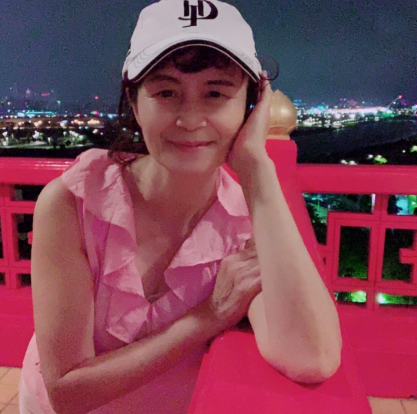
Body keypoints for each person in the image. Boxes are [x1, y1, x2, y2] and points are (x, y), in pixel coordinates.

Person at [19, 1, 342, 413]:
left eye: (215, 94)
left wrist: (257, 170)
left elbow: (313, 358)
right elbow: (66, 392)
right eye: (167, 92)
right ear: (135, 101)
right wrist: (209, 316)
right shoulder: (75, 203)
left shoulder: (247, 223)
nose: (190, 120)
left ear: (250, 105)